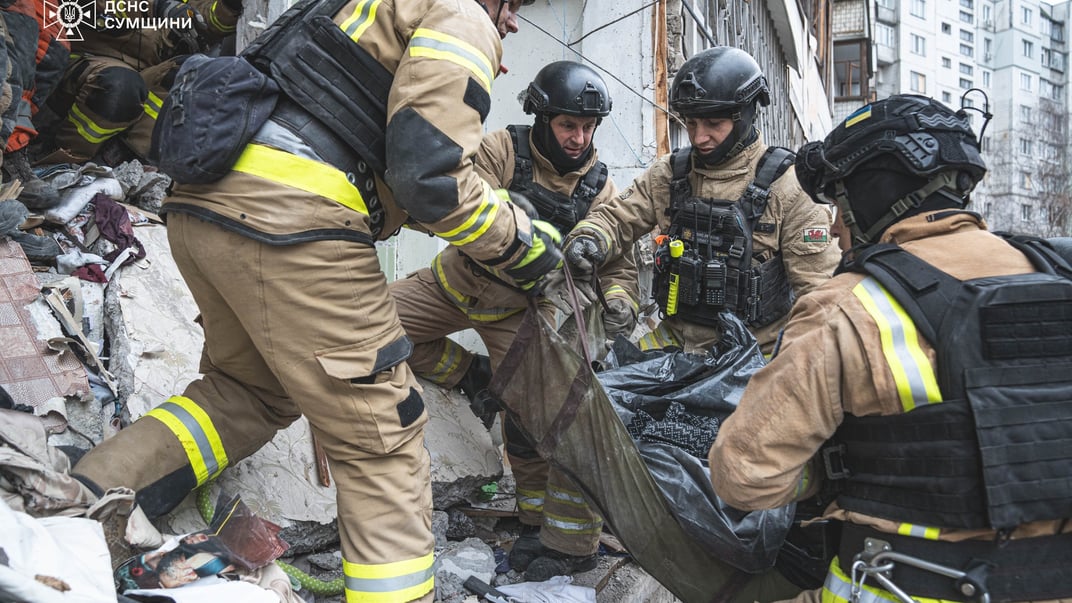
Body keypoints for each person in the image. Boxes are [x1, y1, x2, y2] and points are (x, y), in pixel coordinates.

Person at [70, 1, 556, 602]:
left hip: (203, 207)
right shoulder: (461, 12)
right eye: (515, 7)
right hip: (294, 222)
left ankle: (71, 508)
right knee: (384, 438)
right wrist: (522, 241)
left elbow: (381, 149)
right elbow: (430, 174)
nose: (511, 23)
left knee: (244, 394)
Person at [709, 94, 1072, 601]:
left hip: (898, 582)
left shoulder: (845, 306)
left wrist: (826, 470)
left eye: (838, 204)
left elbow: (743, 478)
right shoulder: (1058, 272)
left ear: (875, 192)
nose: (834, 227)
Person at [390, 60, 639, 581]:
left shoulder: (599, 186)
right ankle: (473, 377)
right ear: (542, 118)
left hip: (520, 315)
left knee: (531, 421)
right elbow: (455, 197)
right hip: (454, 285)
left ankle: (535, 521)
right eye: (569, 125)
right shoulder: (503, 148)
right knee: (371, 327)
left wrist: (619, 300)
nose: (579, 138)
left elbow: (621, 265)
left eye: (589, 127)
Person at [562, 46, 839, 356]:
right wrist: (589, 238)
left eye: (713, 124)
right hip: (674, 342)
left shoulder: (789, 187)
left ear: (745, 115)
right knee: (605, 389)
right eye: (691, 123)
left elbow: (820, 298)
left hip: (755, 355)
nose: (698, 137)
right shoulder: (670, 174)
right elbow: (617, 218)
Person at [34, 0, 241, 164]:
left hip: (145, 72)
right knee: (121, 87)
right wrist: (157, 7)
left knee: (191, 74)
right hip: (87, 62)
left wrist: (228, 6)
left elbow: (207, 20)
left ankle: (127, 156)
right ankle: (64, 159)